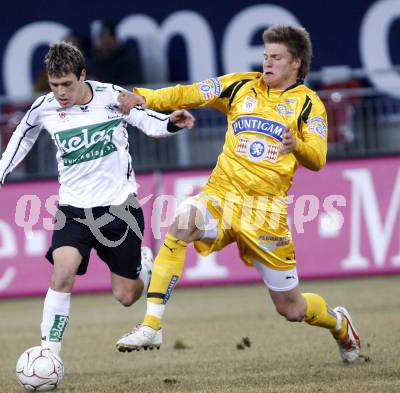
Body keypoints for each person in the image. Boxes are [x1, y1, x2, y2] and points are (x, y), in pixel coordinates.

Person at [115, 25, 362, 363]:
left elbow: (317, 158)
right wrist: (146, 97)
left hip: (265, 213)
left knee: (291, 308)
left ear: (296, 63)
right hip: (222, 194)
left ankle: (339, 324)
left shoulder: (308, 105)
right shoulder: (241, 85)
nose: (268, 63)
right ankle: (152, 324)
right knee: (182, 222)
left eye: (276, 58)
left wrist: (298, 146)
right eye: (265, 57)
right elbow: (191, 93)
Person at [0, 41, 195, 357]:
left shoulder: (112, 96)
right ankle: (48, 353)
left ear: (82, 75)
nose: (61, 92)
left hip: (119, 208)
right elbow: (22, 136)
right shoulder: (44, 107)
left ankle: (143, 269)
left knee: (125, 296)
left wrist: (171, 123)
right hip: (73, 210)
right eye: (54, 85)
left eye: (67, 84)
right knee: (62, 273)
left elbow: (149, 121)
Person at [88, 21, 143, 86]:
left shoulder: (128, 62)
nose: (105, 47)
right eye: (103, 42)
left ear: (117, 41)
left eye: (108, 44)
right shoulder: (93, 63)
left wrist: (99, 84)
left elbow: (130, 87)